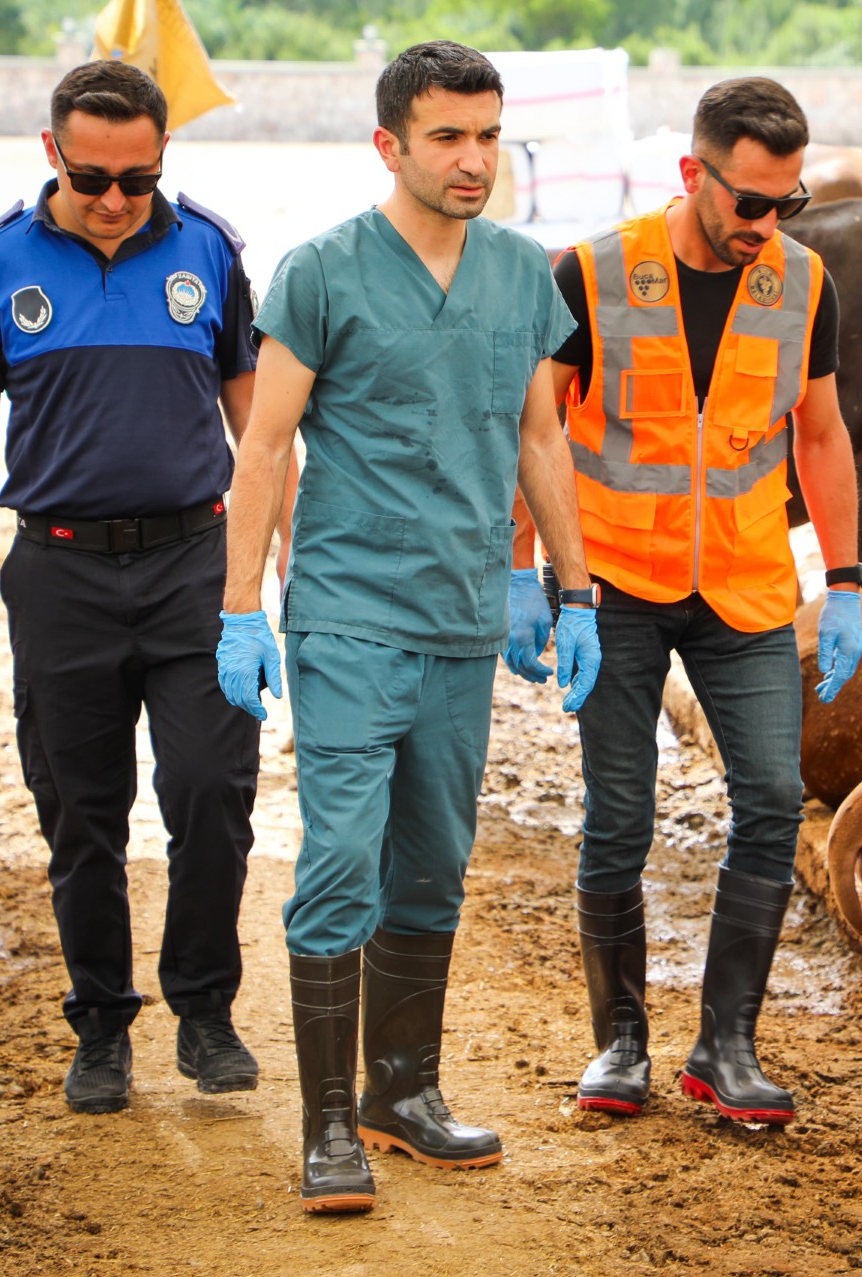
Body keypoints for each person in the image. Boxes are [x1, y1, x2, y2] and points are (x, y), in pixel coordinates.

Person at [216, 40, 601, 1214]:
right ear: (391, 144)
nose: (474, 158)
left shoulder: (522, 272)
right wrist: (241, 610)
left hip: (461, 621)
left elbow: (540, 439)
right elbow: (267, 446)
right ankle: (327, 1124)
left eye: (488, 134)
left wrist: (570, 588)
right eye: (448, 135)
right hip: (346, 613)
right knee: (341, 859)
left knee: (432, 866)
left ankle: (400, 1091)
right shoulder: (324, 272)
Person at [0, 60, 264, 1116]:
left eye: (140, 177)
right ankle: (102, 1024)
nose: (118, 199)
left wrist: (276, 571)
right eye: (94, 177)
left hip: (194, 568)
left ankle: (205, 1012)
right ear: (51, 154)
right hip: (60, 571)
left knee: (211, 790)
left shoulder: (209, 250)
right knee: (81, 810)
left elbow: (257, 422)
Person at [548, 76, 862, 1126]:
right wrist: (532, 576)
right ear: (695, 175)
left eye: (789, 203)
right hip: (617, 589)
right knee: (621, 816)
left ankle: (725, 1045)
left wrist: (849, 580)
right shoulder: (591, 273)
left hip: (744, 588)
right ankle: (620, 1044)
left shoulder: (804, 283)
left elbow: (818, 433)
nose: (767, 225)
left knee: (773, 800)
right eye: (750, 203)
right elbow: (536, 432)